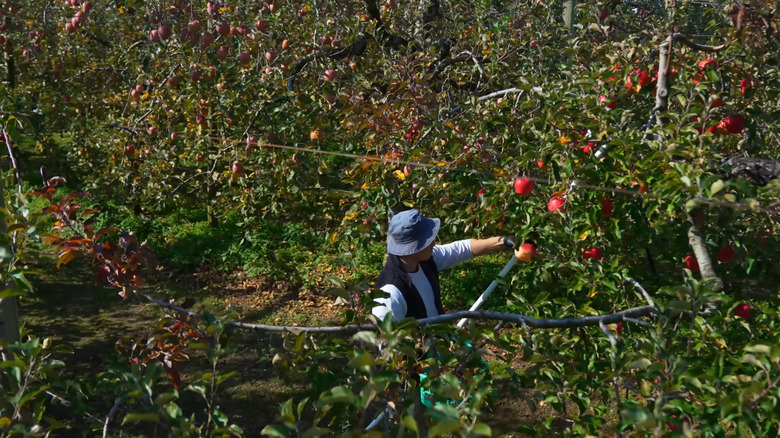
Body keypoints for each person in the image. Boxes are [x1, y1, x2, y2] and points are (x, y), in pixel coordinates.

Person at [372, 209, 516, 322]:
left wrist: (504, 241)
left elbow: (461, 249)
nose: (433, 244)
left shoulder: (423, 260)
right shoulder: (390, 295)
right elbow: (389, 349)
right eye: (427, 241)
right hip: (420, 358)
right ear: (413, 247)